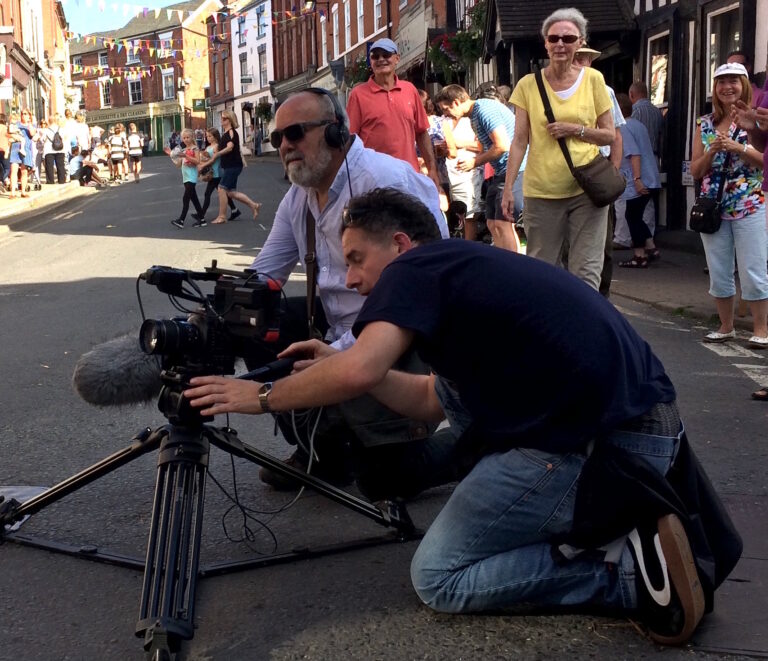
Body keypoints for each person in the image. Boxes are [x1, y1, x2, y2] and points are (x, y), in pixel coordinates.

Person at [184, 187, 740, 647]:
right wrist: (347, 363)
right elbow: (430, 400)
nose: (350, 280)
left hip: (602, 451)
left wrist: (256, 397)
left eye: (355, 259)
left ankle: (624, 574)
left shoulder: (417, 267)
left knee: (439, 577)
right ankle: (619, 533)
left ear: (401, 245)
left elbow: (360, 372)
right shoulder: (470, 277)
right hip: (642, 436)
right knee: (464, 484)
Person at [247, 89, 451, 497]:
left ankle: (476, 438)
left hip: (400, 332)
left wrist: (340, 355)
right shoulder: (299, 197)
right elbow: (264, 275)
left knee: (387, 482)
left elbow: (431, 280)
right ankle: (322, 452)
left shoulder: (386, 180)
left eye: (296, 133)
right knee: (257, 318)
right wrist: (217, 312)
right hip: (340, 328)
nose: (285, 146)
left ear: (337, 132)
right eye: (278, 139)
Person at [502, 7, 615, 289]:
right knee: (541, 269)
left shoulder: (593, 80)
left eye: (568, 38)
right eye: (554, 38)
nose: (560, 44)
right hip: (542, 191)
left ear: (581, 42)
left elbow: (609, 135)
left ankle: (582, 330)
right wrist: (507, 188)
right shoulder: (528, 85)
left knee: (586, 270)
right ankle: (546, 329)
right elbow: (519, 141)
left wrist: (575, 129)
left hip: (586, 188)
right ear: (545, 43)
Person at [690, 62, 767, 348]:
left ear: (745, 84)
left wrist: (739, 148)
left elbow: (764, 161)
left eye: (734, 80)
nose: (727, 87)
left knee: (754, 269)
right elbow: (695, 171)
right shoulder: (704, 123)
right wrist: (712, 151)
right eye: (722, 81)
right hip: (713, 206)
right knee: (719, 269)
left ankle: (761, 329)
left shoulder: (759, 120)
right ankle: (726, 326)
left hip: (750, 202)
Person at [435, 84, 525, 251]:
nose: (445, 114)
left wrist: (474, 162)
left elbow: (502, 145)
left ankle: (513, 268)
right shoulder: (474, 114)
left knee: (503, 223)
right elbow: (487, 146)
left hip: (516, 169)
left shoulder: (484, 109)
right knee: (492, 222)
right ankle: (502, 263)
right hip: (501, 171)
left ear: (455, 102)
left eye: (445, 109)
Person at [346, 38, 441, 194]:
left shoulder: (409, 90)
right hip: (373, 177)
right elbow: (351, 140)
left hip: (408, 174)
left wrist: (432, 169)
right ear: (371, 62)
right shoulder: (358, 95)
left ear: (396, 58)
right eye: (376, 56)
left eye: (386, 54)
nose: (381, 59)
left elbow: (421, 132)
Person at [612, 93, 662, 268]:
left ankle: (639, 256)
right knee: (637, 216)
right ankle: (651, 247)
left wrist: (637, 179)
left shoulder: (623, 127)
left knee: (632, 216)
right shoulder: (638, 125)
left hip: (639, 180)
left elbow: (634, 154)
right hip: (652, 176)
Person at [203, 110, 261, 224]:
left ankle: (222, 216)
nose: (222, 120)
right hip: (230, 166)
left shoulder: (231, 132)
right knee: (230, 192)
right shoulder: (226, 133)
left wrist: (217, 154)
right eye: (222, 118)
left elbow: (230, 147)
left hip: (233, 166)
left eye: (224, 118)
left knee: (221, 188)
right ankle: (254, 205)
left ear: (230, 120)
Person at [443, 110, 483, 241]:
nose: (444, 110)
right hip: (449, 173)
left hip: (469, 172)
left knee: (470, 213)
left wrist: (459, 143)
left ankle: (470, 245)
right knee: (457, 212)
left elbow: (483, 145)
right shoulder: (444, 121)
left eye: (446, 107)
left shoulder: (472, 120)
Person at [417, 89, 453, 208]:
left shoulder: (441, 122)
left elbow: (453, 152)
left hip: (440, 174)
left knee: (442, 210)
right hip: (419, 175)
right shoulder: (408, 124)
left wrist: (446, 149)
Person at [163, 128, 206, 229]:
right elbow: (178, 164)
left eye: (188, 137)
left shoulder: (195, 148)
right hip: (185, 177)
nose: (186, 139)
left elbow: (197, 161)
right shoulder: (183, 150)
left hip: (192, 176)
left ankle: (181, 220)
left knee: (185, 198)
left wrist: (186, 156)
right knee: (194, 199)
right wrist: (171, 155)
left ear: (192, 138)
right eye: (184, 138)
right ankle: (202, 219)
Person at [197, 127, 241, 220]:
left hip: (216, 173)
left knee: (207, 194)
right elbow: (207, 158)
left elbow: (214, 160)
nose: (208, 138)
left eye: (210, 136)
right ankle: (234, 209)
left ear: (215, 136)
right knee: (223, 193)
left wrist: (204, 164)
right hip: (212, 174)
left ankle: (201, 215)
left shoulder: (217, 146)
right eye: (207, 136)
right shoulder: (209, 147)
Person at [9, 110, 35, 197]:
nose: (23, 115)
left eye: (25, 114)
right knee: (14, 170)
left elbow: (32, 134)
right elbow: (9, 133)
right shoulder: (16, 124)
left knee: (24, 171)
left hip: (26, 149)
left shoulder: (31, 126)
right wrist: (15, 137)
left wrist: (29, 123)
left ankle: (23, 191)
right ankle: (13, 192)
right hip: (15, 148)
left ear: (29, 115)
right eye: (22, 114)